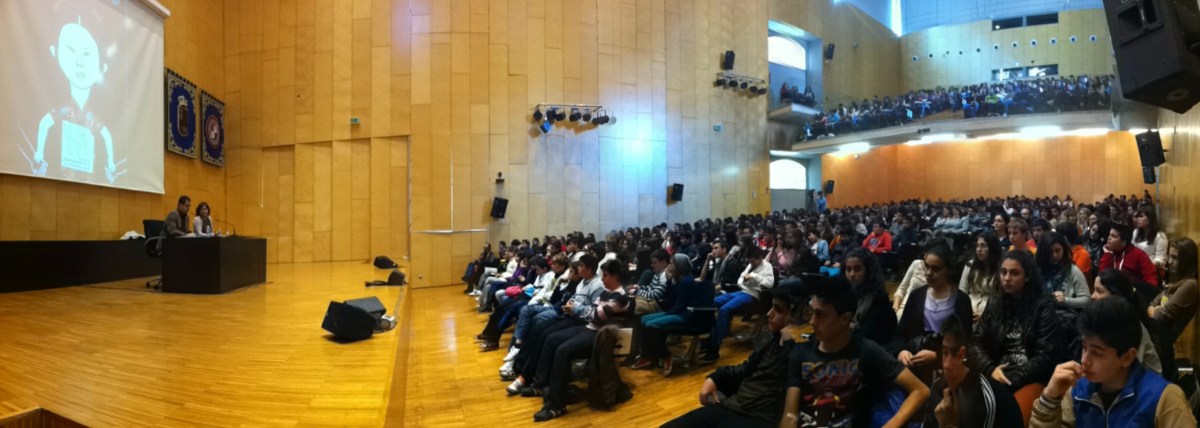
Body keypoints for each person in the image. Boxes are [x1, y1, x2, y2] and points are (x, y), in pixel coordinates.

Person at [779, 279, 929, 428]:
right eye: (811, 312)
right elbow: (790, 415)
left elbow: (921, 390)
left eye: (821, 315)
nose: (812, 321)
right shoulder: (801, 353)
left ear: (845, 319)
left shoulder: (866, 350)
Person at [660, 283, 809, 428]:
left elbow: (796, 390)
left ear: (795, 316)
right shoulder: (769, 337)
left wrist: (788, 337)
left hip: (758, 418)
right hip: (733, 406)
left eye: (778, 310)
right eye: (771, 307)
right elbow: (745, 368)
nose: (769, 314)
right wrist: (715, 377)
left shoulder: (801, 352)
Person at [1029, 298, 1195, 427]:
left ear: (1127, 357)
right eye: (1084, 347)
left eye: (1097, 353)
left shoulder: (1164, 397)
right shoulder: (1076, 390)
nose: (1084, 360)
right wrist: (1049, 399)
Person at [526, 259, 631, 422]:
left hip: (599, 336)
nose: (602, 279)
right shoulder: (606, 292)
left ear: (615, 276)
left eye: (605, 275)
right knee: (551, 339)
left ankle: (556, 405)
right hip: (590, 328)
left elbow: (596, 315)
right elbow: (592, 311)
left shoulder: (621, 297)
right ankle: (540, 385)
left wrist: (577, 309)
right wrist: (585, 311)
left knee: (563, 351)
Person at [968, 250, 1061, 424]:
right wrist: (990, 369)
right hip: (996, 372)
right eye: (1003, 272)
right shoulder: (995, 303)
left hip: (1029, 378)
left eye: (1014, 273)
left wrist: (1008, 379)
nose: (1007, 278)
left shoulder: (1042, 306)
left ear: (1027, 277)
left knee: (1012, 418)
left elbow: (1044, 356)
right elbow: (975, 342)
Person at [892, 244, 973, 385]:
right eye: (926, 267)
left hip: (947, 367)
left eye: (936, 269)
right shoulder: (916, 295)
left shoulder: (961, 300)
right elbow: (901, 333)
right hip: (915, 363)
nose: (929, 273)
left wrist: (938, 355)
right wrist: (902, 351)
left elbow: (965, 341)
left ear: (949, 270)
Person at [925, 315, 1024, 428]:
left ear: (961, 355)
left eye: (952, 354)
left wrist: (947, 425)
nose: (945, 365)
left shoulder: (985, 396)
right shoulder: (937, 387)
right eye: (944, 353)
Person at [635, 254, 711, 375]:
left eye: (672, 263)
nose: (670, 266)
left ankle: (665, 355)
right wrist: (670, 281)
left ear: (679, 266)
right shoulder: (679, 279)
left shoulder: (686, 281)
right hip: (678, 312)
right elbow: (671, 299)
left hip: (687, 316)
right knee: (643, 319)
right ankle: (647, 356)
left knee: (650, 325)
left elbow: (680, 306)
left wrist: (665, 315)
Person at [701, 245, 774, 363]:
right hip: (742, 291)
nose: (751, 263)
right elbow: (740, 280)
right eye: (750, 260)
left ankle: (714, 347)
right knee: (711, 302)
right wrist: (745, 281)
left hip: (753, 295)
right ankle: (712, 335)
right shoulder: (751, 264)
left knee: (724, 310)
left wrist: (753, 276)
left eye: (753, 261)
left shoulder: (767, 266)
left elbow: (769, 283)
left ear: (760, 258)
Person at [1091, 269, 1164, 375]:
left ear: (1116, 295)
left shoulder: (1131, 326)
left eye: (1099, 291)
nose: (1093, 296)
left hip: (1146, 382)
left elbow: (1127, 370)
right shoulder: (1108, 319)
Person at [843, 248, 897, 347]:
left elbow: (865, 336)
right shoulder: (844, 293)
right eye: (848, 269)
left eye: (857, 269)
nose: (852, 274)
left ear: (868, 271)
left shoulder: (879, 298)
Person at [1149, 238, 1199, 343]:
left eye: (1175, 258)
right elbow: (1153, 303)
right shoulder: (1176, 279)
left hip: (1164, 341)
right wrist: (1155, 309)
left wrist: (1155, 310)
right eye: (1169, 256)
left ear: (1186, 261)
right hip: (1156, 333)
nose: (1169, 262)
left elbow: (1162, 316)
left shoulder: (1190, 284)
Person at [1037, 232, 1091, 311]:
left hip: (1067, 315)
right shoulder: (1037, 271)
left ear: (1064, 249)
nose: (1054, 255)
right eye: (1050, 252)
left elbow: (1086, 300)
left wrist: (1065, 300)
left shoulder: (1072, 270)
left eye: (1058, 250)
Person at [959, 232, 1001, 322]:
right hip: (969, 310)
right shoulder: (970, 265)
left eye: (983, 246)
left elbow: (1002, 298)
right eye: (977, 246)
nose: (979, 249)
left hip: (991, 313)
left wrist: (985, 315)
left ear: (992, 248)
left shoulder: (1001, 268)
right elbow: (962, 291)